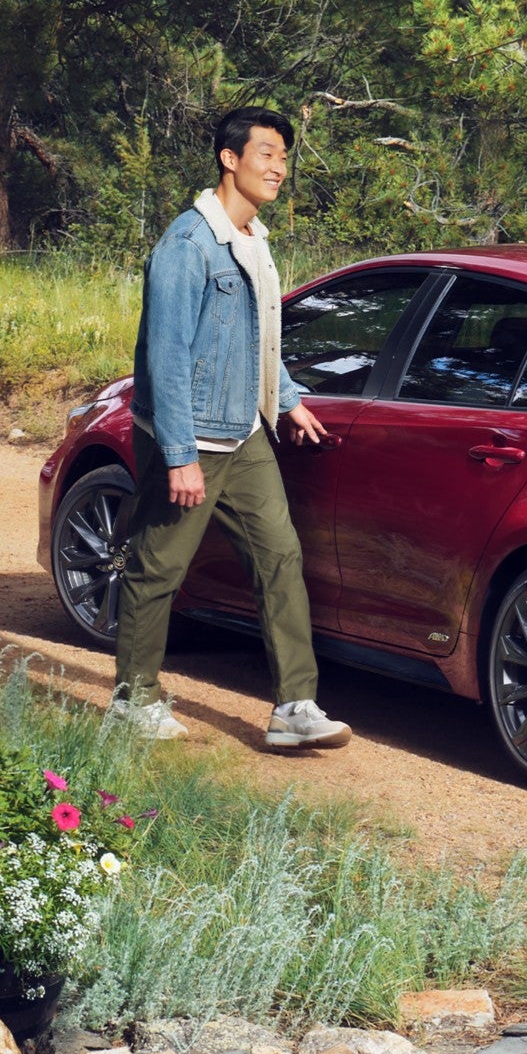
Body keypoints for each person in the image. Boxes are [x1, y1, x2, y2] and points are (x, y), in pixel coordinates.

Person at [107, 106, 351, 750]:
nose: (278, 167)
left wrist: (290, 399)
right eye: (266, 153)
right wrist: (180, 454)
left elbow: (256, 339)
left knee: (280, 558)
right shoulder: (188, 245)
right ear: (229, 158)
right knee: (158, 568)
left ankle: (295, 707)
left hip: (243, 433)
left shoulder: (254, 241)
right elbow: (167, 355)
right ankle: (133, 699)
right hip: (189, 438)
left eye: (283, 156)